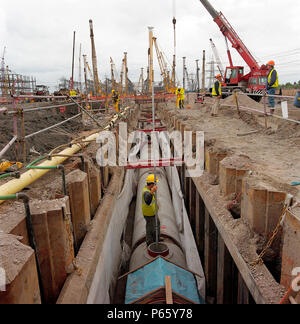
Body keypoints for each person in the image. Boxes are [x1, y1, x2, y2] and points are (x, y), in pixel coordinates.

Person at [142, 174, 160, 246]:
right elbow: (147, 200)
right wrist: (152, 191)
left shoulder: (148, 189)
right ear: (152, 183)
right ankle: (150, 242)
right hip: (149, 214)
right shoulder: (146, 192)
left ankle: (157, 238)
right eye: (155, 183)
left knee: (157, 224)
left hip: (152, 212)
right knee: (150, 228)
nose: (155, 184)